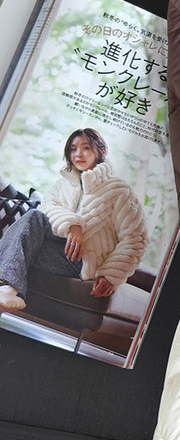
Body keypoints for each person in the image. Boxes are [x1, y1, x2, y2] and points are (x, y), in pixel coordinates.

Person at [0, 127, 148, 311]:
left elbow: (135, 238)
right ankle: (7, 289)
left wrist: (110, 275)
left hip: (82, 262)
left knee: (14, 246)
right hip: (54, 251)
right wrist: (72, 226)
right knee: (23, 236)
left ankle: (7, 287)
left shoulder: (119, 191)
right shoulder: (63, 184)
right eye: (73, 149)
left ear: (101, 150)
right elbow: (46, 208)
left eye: (86, 148)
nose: (78, 154)